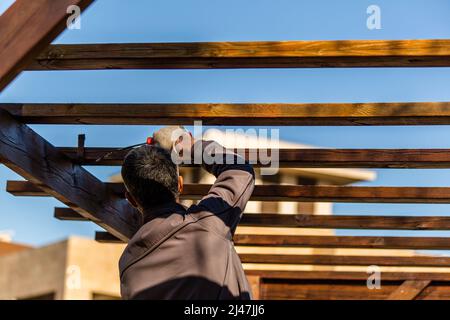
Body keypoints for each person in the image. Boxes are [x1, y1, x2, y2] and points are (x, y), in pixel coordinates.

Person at [119, 127, 255, 299]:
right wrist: (191, 147)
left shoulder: (128, 265)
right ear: (180, 185)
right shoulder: (209, 223)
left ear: (131, 200)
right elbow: (239, 171)